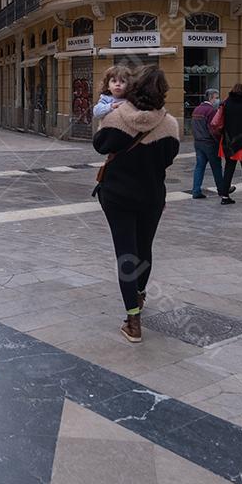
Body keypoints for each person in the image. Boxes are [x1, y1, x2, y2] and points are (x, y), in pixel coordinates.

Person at [93, 67, 180, 343]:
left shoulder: (116, 117)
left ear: (133, 88)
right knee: (144, 249)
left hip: (117, 197)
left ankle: (133, 321)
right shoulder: (170, 125)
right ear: (162, 94)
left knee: (126, 254)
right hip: (152, 197)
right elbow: (168, 159)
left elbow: (100, 145)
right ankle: (139, 297)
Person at [191, 88, 224, 199]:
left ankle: (196, 191)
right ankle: (222, 189)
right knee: (216, 167)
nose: (218, 100)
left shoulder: (196, 109)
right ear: (210, 98)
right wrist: (219, 141)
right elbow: (213, 129)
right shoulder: (211, 111)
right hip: (209, 143)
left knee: (199, 167)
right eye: (216, 97)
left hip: (198, 142)